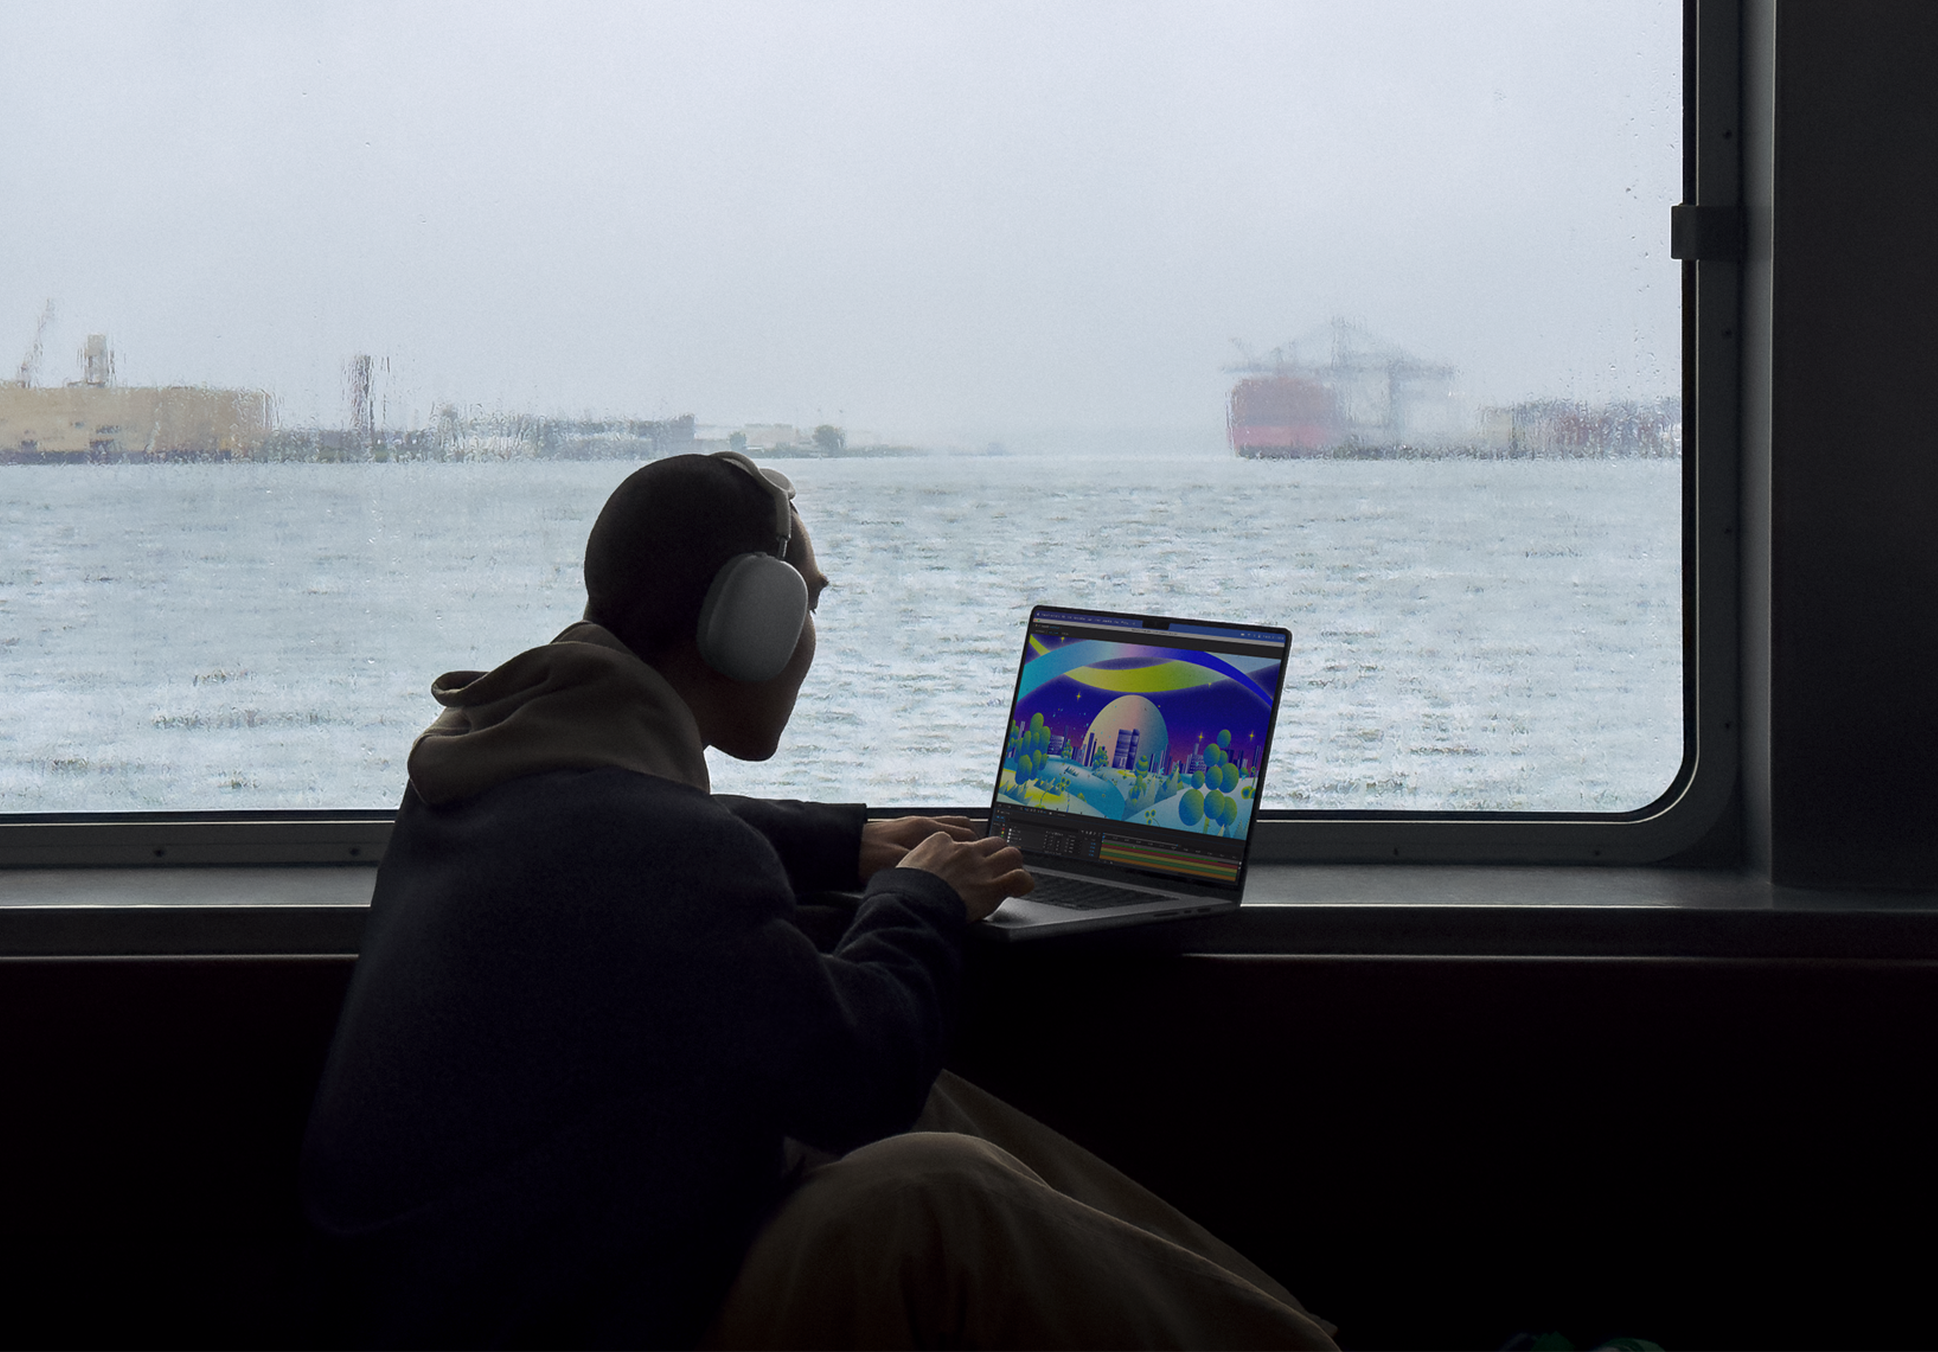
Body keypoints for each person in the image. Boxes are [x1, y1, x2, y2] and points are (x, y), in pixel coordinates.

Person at [301, 453, 1337, 1350]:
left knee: (935, 1110)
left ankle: (1287, 1335)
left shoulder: (488, 768)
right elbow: (865, 1071)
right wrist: (924, 896)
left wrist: (845, 839)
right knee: (938, 1194)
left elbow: (635, 819)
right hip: (566, 1336)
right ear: (752, 623)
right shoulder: (658, 854)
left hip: (486, 1297)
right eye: (808, 603)